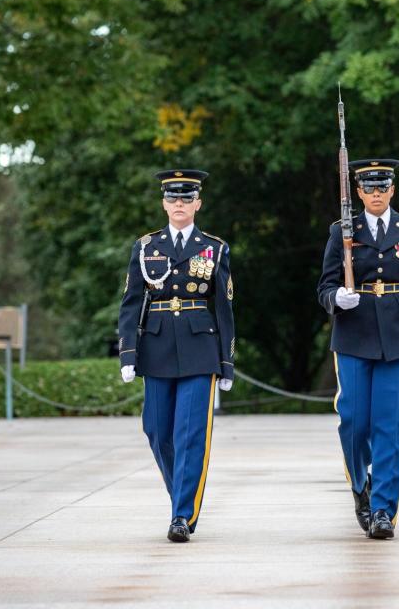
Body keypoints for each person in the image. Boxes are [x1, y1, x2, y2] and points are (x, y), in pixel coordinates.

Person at [317, 158, 399, 539]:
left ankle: (383, 510)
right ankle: (361, 484)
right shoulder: (343, 230)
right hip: (354, 335)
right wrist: (337, 297)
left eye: (382, 187)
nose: (375, 193)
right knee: (353, 421)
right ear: (358, 192)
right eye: (368, 187)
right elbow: (324, 286)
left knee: (390, 426)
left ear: (392, 190)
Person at [117, 169, 235, 543]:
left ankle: (182, 514)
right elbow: (131, 302)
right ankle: (183, 495)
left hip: (201, 348)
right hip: (156, 346)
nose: (179, 204)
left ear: (198, 203)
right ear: (163, 202)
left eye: (186, 198)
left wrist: (227, 361)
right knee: (156, 430)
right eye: (172, 198)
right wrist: (127, 353)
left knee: (190, 435)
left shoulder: (213, 248)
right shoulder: (146, 246)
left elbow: (224, 308)